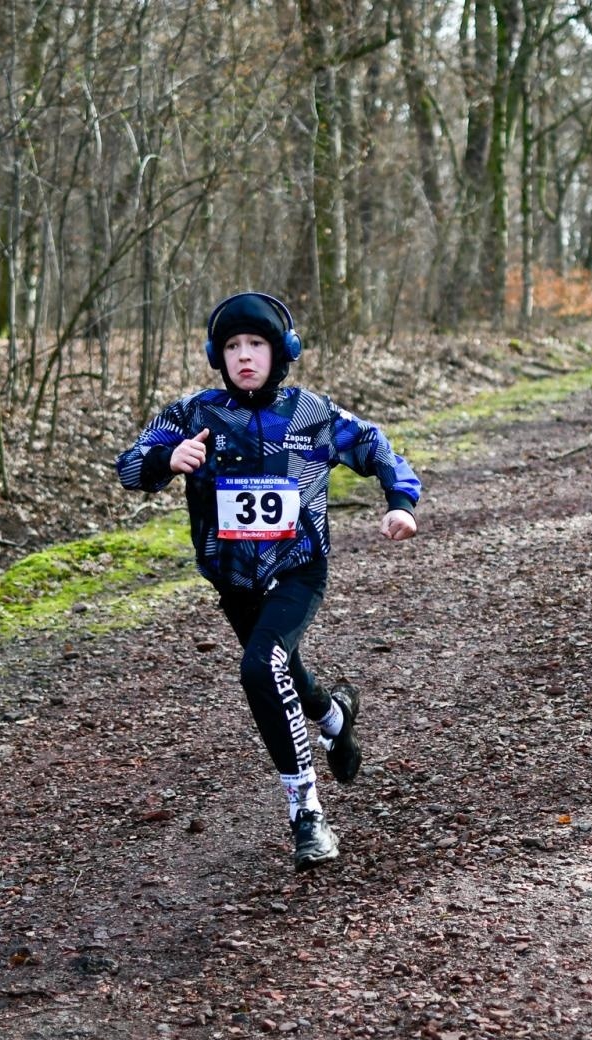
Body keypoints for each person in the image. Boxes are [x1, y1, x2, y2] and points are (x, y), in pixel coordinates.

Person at [115, 291, 421, 871]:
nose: (245, 356)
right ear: (217, 355)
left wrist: (400, 502)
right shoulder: (193, 415)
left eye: (256, 344)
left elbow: (379, 449)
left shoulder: (313, 414)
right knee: (283, 668)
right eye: (232, 346)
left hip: (298, 570)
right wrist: (166, 460)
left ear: (282, 351)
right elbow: (129, 465)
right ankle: (333, 715)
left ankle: (307, 813)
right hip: (233, 579)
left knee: (261, 667)